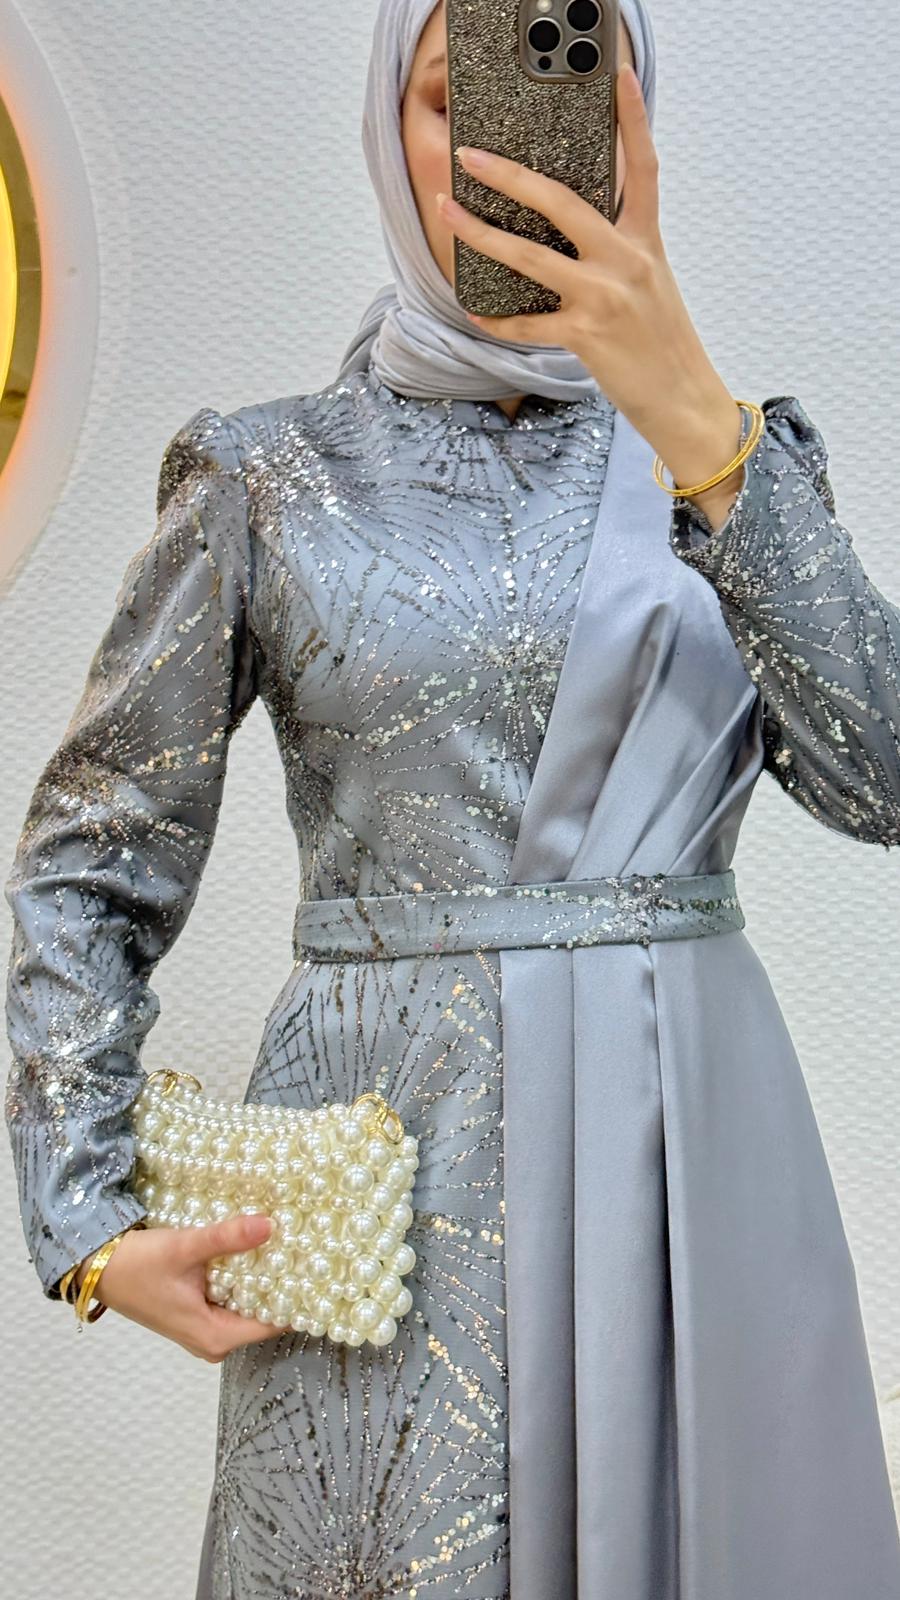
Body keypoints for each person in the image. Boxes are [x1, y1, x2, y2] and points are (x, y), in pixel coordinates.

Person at [5, 0, 900, 1595]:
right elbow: (91, 857)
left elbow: (885, 778)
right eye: (449, 96)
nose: (503, 144)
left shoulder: (730, 464)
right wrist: (83, 1217)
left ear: (637, 124)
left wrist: (699, 425)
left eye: (571, 81)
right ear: (383, 129)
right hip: (389, 1202)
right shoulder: (267, 476)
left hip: (689, 1167)